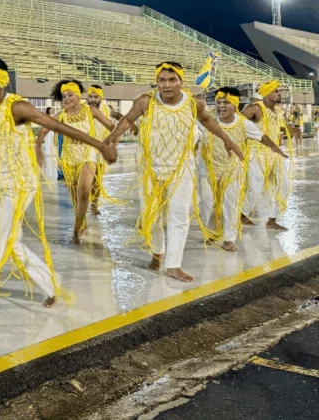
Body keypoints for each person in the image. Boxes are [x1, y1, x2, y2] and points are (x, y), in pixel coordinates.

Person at [0, 57, 118, 334]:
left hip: (19, 185)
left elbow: (58, 126)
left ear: (2, 80)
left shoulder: (18, 107)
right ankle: (51, 286)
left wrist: (100, 146)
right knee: (13, 245)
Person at [104, 62, 243, 283]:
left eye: (172, 80)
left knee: (179, 216)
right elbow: (128, 119)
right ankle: (157, 252)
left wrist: (226, 138)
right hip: (150, 170)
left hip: (182, 169)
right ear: (157, 82)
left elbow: (207, 120)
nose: (167, 85)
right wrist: (112, 138)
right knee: (152, 216)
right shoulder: (145, 101)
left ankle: (173, 265)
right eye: (162, 81)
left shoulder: (193, 103)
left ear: (181, 81)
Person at [198, 87, 286, 252]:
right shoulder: (207, 120)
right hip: (207, 170)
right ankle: (211, 233)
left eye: (226, 103)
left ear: (235, 105)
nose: (221, 106)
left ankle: (229, 239)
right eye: (219, 102)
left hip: (232, 170)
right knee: (207, 203)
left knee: (230, 204)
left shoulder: (243, 124)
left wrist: (276, 149)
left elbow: (262, 137)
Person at [35, 80, 114, 243]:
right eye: (64, 96)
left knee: (84, 192)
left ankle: (76, 230)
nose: (66, 99)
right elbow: (43, 131)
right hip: (69, 158)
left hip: (88, 154)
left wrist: (112, 143)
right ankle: (82, 224)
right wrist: (38, 148)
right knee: (75, 198)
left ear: (78, 96)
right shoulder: (61, 116)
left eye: (70, 95)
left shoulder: (91, 111)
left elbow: (111, 126)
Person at [242, 80, 294, 231]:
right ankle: (242, 214)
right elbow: (237, 125)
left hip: (275, 153)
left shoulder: (277, 111)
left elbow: (277, 127)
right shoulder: (255, 108)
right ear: (266, 92)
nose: (279, 94)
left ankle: (272, 220)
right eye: (275, 91)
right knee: (256, 188)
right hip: (256, 153)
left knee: (284, 185)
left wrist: (292, 130)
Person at [85, 85, 112, 215]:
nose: (93, 99)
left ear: (101, 97)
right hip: (85, 149)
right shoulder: (82, 110)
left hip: (101, 149)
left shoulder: (107, 109)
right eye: (90, 97)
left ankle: (94, 206)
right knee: (85, 180)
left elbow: (118, 118)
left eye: (96, 97)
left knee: (97, 180)